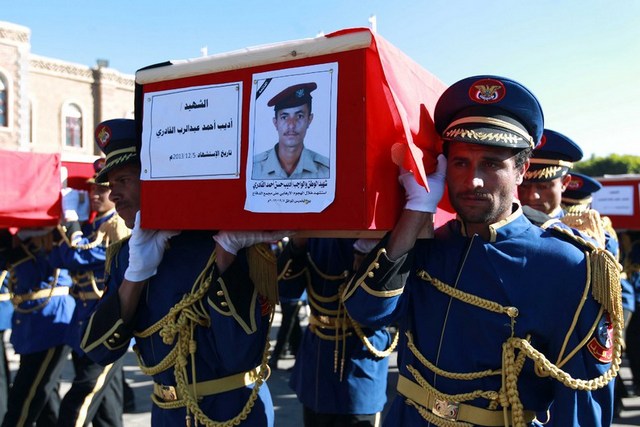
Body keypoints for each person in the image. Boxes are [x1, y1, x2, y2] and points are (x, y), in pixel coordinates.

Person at [342, 75, 622, 426]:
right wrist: (417, 208)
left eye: (491, 164)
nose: (473, 180)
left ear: (521, 170)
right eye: (460, 163)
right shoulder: (427, 244)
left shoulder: (568, 264)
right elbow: (367, 313)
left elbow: (583, 404)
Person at [80, 118, 283, 426]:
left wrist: (226, 256)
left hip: (231, 412)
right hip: (167, 413)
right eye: (111, 185)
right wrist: (136, 275)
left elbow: (239, 354)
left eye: (124, 180)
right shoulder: (126, 256)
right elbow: (98, 350)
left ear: (155, 179)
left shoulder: (220, 243)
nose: (113, 195)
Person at [278, 237, 394, 427]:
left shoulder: (383, 235)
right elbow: (286, 291)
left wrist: (371, 256)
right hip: (317, 361)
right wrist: (297, 245)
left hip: (360, 360)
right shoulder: (315, 236)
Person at [49, 158, 129, 427]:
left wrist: (72, 224)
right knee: (106, 407)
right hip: (84, 322)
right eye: (93, 189)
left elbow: (79, 257)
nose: (95, 194)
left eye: (102, 190)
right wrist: (75, 225)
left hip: (106, 325)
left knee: (80, 398)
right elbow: (61, 257)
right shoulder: (92, 227)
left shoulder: (118, 225)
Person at [1, 227, 75, 427]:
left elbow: (32, 278)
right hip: (32, 325)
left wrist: (15, 250)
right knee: (45, 399)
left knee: (24, 397)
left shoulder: (56, 237)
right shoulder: (25, 240)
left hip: (50, 322)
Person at [252, 82, 330, 179]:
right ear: (275, 123)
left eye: (299, 116)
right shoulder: (254, 168)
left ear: (309, 120)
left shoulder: (326, 171)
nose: (291, 125)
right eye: (284, 117)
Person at [517, 128, 583, 221]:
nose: (532, 196)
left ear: (565, 183)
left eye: (543, 186)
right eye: (524, 186)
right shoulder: (502, 227)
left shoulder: (579, 228)